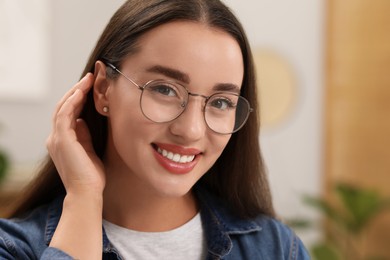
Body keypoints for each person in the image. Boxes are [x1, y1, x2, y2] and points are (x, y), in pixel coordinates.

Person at [0, 0, 310, 259]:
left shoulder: (277, 248)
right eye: (164, 89)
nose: (190, 130)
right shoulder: (15, 248)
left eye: (221, 103)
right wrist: (84, 198)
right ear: (104, 89)